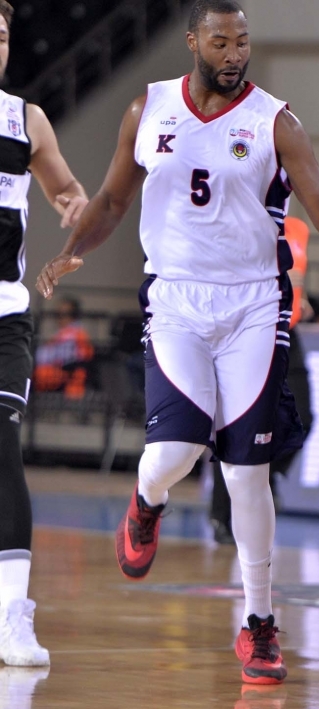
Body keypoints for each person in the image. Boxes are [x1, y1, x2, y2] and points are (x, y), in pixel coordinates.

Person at [35, 0, 319, 684]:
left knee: (245, 472)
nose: (235, 53)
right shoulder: (149, 110)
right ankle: (147, 501)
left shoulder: (276, 120)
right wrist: (72, 249)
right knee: (175, 451)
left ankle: (259, 622)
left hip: (256, 302)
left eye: (243, 41)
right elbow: (112, 200)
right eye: (221, 41)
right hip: (174, 295)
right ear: (192, 41)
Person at [0, 0, 88, 668]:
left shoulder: (25, 117)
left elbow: (65, 191)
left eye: (2, 37)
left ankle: (12, 618)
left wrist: (79, 212)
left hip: (5, 313)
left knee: (3, 449)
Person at [209, 216, 315, 544]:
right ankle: (221, 515)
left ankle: (269, 476)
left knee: (304, 417)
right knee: (238, 427)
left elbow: (296, 279)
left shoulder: (298, 228)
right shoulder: (237, 222)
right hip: (247, 331)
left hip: (287, 332)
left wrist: (301, 298)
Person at [32, 296, 94, 399]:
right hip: (55, 373)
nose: (59, 318)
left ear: (73, 315)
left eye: (63, 314)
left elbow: (58, 356)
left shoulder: (74, 334)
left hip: (65, 376)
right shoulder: (65, 332)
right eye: (58, 314)